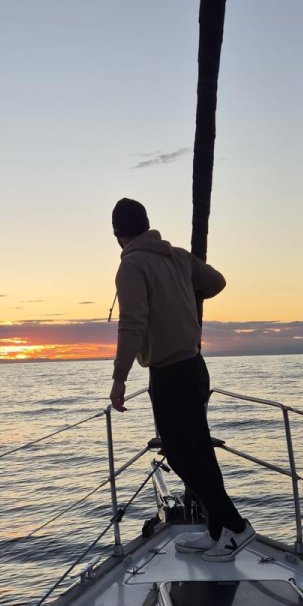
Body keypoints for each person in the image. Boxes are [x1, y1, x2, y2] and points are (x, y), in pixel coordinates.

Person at [109, 197, 255, 561]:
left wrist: (119, 378)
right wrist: (186, 291)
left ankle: (236, 527)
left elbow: (132, 325)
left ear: (117, 235)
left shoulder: (132, 266)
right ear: (146, 225)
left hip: (169, 374)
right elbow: (217, 281)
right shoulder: (176, 256)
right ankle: (218, 530)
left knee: (179, 456)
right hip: (195, 368)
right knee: (200, 451)